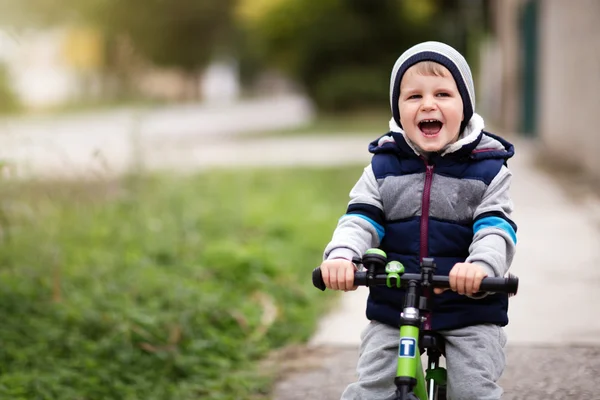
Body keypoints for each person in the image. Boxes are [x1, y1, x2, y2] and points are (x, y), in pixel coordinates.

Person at [320, 41, 517, 400]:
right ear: (397, 109)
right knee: (372, 388)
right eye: (413, 97)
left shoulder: (488, 170)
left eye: (443, 93)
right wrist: (341, 256)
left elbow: (496, 227)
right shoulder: (383, 167)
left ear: (465, 107)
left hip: (467, 309)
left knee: (473, 390)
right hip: (394, 306)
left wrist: (481, 267)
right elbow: (360, 218)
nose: (428, 104)